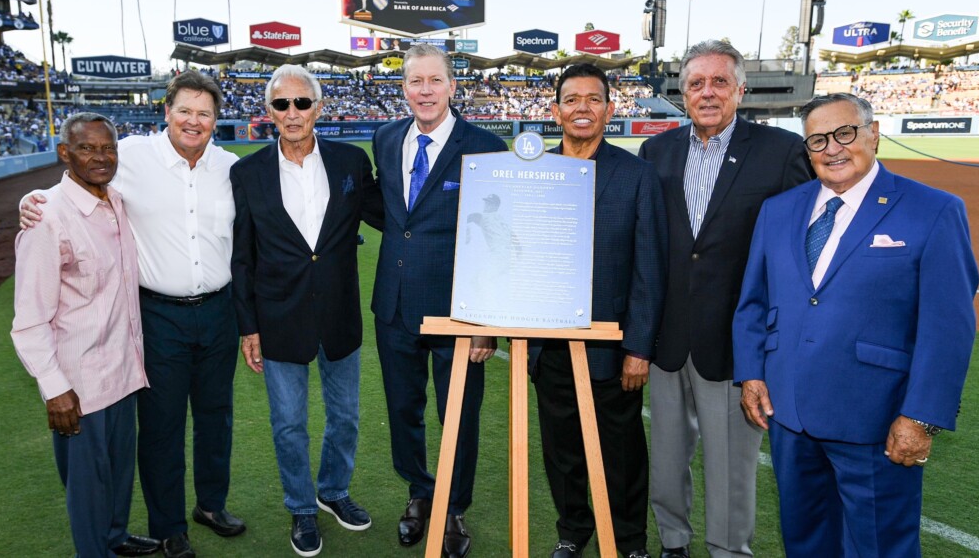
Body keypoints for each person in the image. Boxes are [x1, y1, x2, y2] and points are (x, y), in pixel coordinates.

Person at [733, 93, 979, 557]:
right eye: (817, 140)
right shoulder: (780, 210)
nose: (832, 149)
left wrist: (921, 417)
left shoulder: (933, 210)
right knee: (806, 543)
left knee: (880, 547)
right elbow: (753, 302)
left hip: (876, 420)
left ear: (874, 134)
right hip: (790, 415)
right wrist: (751, 374)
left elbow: (948, 327)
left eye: (844, 133)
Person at [21, 71, 245, 558]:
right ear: (166, 111)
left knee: (216, 417)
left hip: (219, 311)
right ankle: (168, 525)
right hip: (156, 314)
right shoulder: (131, 157)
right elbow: (72, 182)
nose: (193, 121)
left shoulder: (231, 166)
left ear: (215, 120)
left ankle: (211, 504)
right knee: (162, 425)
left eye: (204, 113)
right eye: (184, 110)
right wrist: (29, 200)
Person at [637, 39, 811, 558]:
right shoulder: (657, 150)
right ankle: (673, 542)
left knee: (732, 464)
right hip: (668, 338)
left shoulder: (781, 152)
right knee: (666, 459)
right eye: (696, 83)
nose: (707, 92)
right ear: (682, 92)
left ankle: (729, 550)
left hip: (737, 343)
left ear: (740, 89)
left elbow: (797, 254)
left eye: (718, 82)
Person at [230, 65, 383, 556]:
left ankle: (334, 491)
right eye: (281, 104)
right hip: (278, 317)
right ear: (269, 112)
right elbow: (242, 255)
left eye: (301, 103)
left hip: (339, 314)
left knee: (345, 417)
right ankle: (301, 506)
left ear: (319, 108)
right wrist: (247, 326)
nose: (292, 113)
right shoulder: (247, 171)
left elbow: (396, 212)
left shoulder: (350, 162)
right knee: (289, 422)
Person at [370, 43, 506, 558]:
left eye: (434, 81)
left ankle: (453, 507)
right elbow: (393, 216)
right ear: (403, 88)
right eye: (414, 82)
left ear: (452, 86)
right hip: (395, 307)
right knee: (404, 410)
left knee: (460, 415)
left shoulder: (485, 145)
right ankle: (420, 494)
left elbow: (498, 236)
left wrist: (486, 321)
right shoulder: (385, 138)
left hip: (460, 312)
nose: (424, 91)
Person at [530, 63, 666, 558]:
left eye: (593, 99)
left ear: (609, 108)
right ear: (555, 110)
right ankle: (573, 532)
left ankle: (629, 541)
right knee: (562, 452)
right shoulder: (535, 172)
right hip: (549, 345)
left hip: (611, 346)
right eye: (572, 99)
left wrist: (638, 348)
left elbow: (649, 268)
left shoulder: (637, 175)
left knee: (622, 452)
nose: (582, 108)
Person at [11, 113, 159, 558]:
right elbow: (30, 320)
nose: (100, 157)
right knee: (87, 484)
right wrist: (54, 389)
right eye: (87, 148)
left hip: (123, 370)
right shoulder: (47, 217)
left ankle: (115, 537)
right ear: (64, 153)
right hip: (79, 383)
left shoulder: (116, 200)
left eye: (108, 148)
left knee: (116, 473)